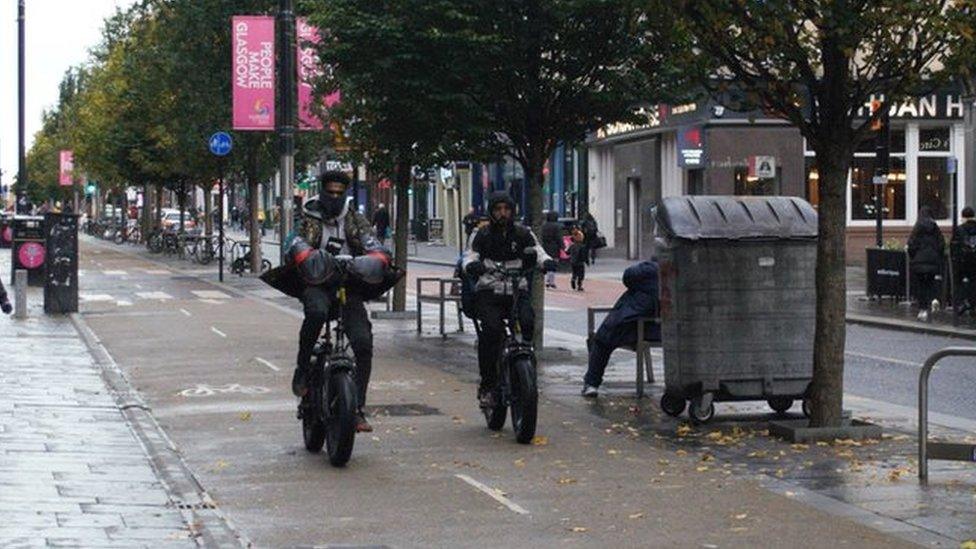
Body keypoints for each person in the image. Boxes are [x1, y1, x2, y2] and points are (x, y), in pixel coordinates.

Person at [292, 171, 382, 432]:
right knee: (317, 313)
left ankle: (358, 409)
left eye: (338, 193)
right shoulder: (309, 217)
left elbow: (370, 241)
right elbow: (296, 241)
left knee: (363, 342)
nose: (334, 197)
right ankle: (302, 367)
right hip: (318, 283)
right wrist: (304, 253)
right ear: (322, 192)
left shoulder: (354, 218)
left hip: (347, 286)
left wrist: (378, 255)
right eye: (329, 192)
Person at [463, 191, 554, 407]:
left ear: (512, 211)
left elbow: (538, 252)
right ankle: (487, 386)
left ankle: (526, 369)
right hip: (489, 292)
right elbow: (469, 257)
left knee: (528, 322)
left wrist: (547, 262)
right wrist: (471, 266)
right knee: (491, 332)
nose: (503, 214)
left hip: (516, 291)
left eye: (507, 209)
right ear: (491, 212)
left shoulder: (523, 234)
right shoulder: (481, 235)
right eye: (498, 209)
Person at [582, 261, 661, 397]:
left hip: (636, 329)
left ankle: (591, 383)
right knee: (603, 339)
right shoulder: (680, 274)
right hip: (660, 330)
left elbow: (628, 276)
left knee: (601, 341)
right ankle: (591, 381)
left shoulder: (648, 273)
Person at [907, 206, 946, 322]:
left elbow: (911, 244)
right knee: (930, 283)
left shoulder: (917, 228)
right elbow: (941, 244)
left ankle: (922, 309)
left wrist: (914, 256)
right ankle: (932, 301)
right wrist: (937, 256)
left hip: (919, 262)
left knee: (920, 285)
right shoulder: (935, 228)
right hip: (933, 261)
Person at [951, 206, 976, 314]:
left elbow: (953, 245)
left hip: (962, 261)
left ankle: (961, 304)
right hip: (975, 260)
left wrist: (954, 258)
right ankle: (972, 304)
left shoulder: (959, 229)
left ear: (963, 217)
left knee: (958, 283)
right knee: (974, 282)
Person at [540, 211, 563, 289]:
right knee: (553, 264)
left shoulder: (543, 226)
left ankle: (547, 281)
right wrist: (562, 246)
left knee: (547, 263)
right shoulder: (557, 226)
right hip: (554, 247)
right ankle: (551, 281)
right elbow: (559, 237)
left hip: (545, 246)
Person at [568, 226, 587, 291]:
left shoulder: (572, 245)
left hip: (573, 261)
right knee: (581, 275)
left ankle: (573, 279)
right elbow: (584, 255)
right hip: (580, 262)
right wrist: (586, 261)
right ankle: (579, 285)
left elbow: (567, 252)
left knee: (574, 273)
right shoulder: (583, 246)